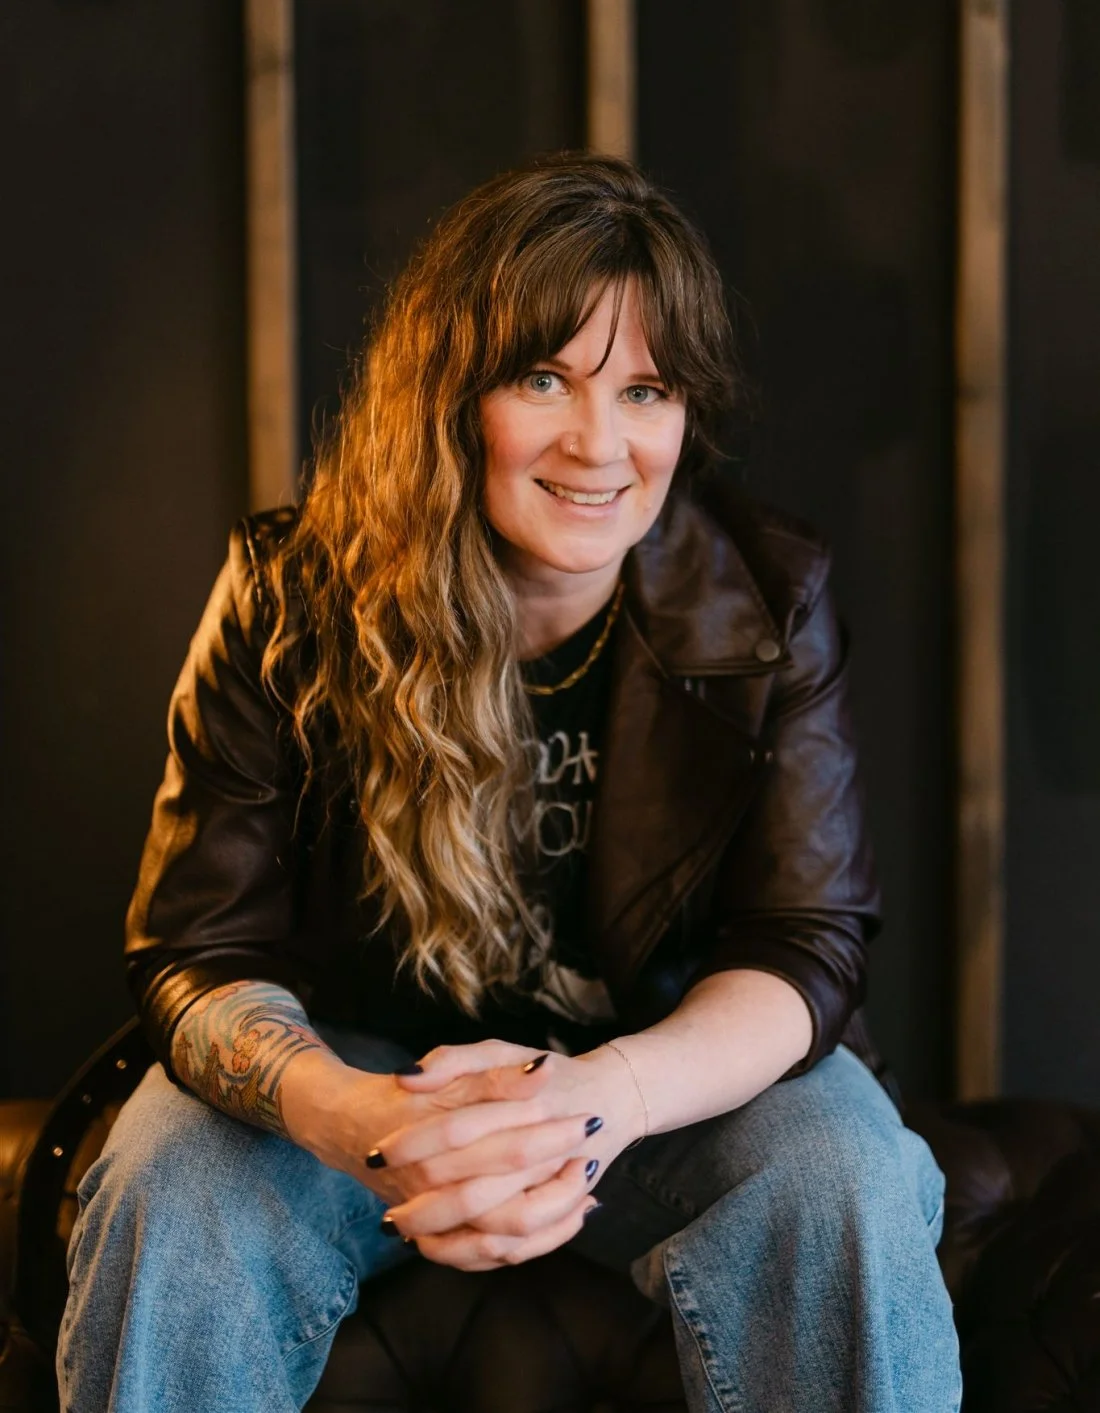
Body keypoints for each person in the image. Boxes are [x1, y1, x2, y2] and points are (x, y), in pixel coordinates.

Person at [57, 154, 961, 1412]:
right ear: (449, 394)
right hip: (364, 1076)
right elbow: (198, 953)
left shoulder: (766, 595)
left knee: (842, 1166)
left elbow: (804, 944)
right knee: (170, 1173)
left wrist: (597, 1099)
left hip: (660, 1079)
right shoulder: (286, 597)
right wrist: (365, 1118)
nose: (600, 444)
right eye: (543, 378)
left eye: (643, 389)